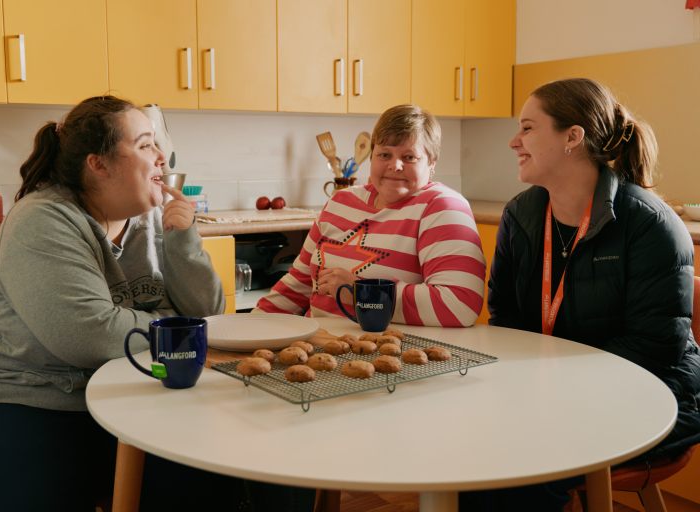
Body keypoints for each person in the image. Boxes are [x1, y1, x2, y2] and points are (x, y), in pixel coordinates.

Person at [0, 96, 314, 511]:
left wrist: (183, 239)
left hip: (126, 399)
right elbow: (91, 337)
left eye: (157, 143)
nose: (162, 157)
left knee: (251, 468)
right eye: (144, 145)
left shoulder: (151, 218)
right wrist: (176, 321)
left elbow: (210, 316)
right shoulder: (43, 220)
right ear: (98, 164)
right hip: (21, 404)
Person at [469, 77, 700, 510]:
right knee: (469, 440)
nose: (514, 141)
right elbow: (506, 319)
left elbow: (653, 347)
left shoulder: (651, 225)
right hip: (552, 391)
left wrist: (551, 389)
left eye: (528, 128)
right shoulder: (520, 215)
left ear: (572, 137)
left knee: (520, 467)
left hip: (649, 394)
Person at [256, 104, 486, 327]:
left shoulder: (442, 207)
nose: (395, 165)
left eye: (409, 157)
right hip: (318, 343)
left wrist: (361, 293)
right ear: (372, 157)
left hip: (389, 349)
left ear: (432, 162)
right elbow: (299, 284)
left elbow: (459, 304)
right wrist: (252, 324)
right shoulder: (340, 202)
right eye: (384, 154)